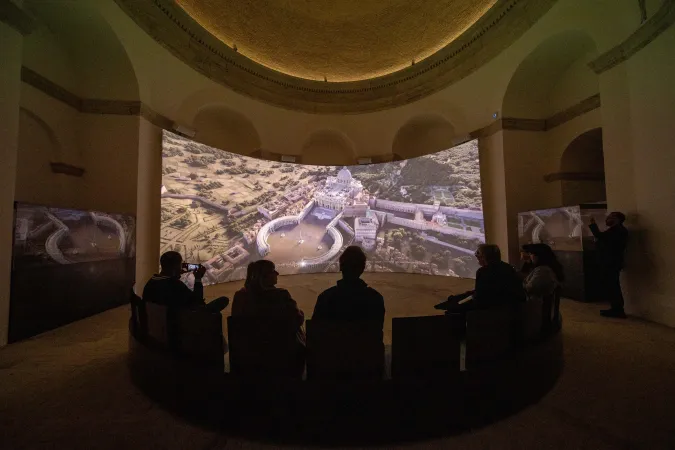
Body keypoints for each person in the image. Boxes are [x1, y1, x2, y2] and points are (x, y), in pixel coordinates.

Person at [434, 244, 526, 313]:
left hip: (489, 309)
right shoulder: (508, 268)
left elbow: (480, 298)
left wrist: (460, 303)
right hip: (508, 307)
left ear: (484, 257)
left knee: (451, 308)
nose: (477, 258)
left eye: (479, 256)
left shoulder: (483, 271)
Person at [232, 259, 305, 342]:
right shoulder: (281, 295)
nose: (277, 273)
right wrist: (301, 314)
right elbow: (296, 321)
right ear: (264, 276)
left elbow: (236, 325)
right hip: (282, 349)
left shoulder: (240, 297)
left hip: (248, 349)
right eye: (273, 271)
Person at [313, 246, 385, 328]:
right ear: (363, 268)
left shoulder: (325, 298)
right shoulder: (375, 298)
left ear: (341, 266)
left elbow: (316, 333)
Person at [142, 251, 229, 312]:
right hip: (180, 322)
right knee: (223, 300)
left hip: (159, 321)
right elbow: (198, 302)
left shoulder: (152, 281)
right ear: (175, 267)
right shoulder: (176, 285)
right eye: (180, 265)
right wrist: (198, 279)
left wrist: (175, 274)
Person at [590, 211, 629, 318]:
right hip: (610, 262)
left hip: (610, 262)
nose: (607, 219)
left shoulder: (618, 231)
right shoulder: (617, 230)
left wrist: (593, 224)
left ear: (617, 219)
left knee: (613, 286)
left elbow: (601, 237)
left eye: (611, 217)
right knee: (612, 286)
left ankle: (617, 309)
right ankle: (615, 308)